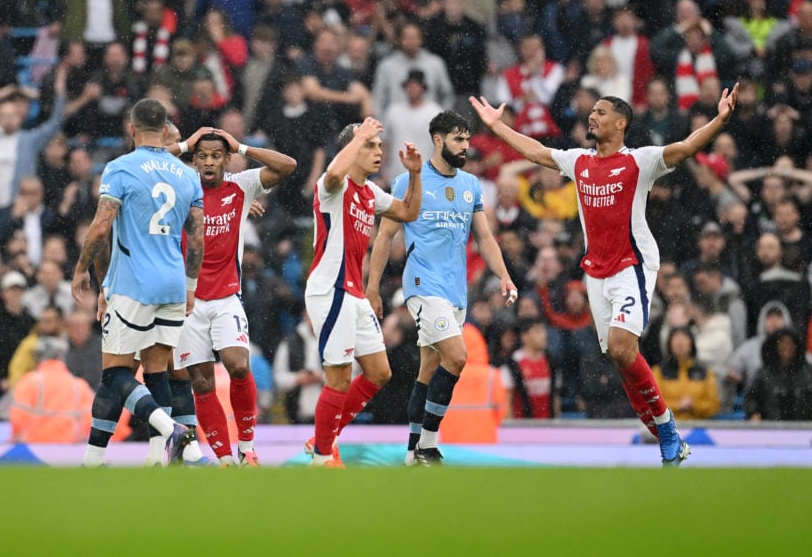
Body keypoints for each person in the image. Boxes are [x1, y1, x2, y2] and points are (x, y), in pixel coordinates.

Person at [469, 83, 739, 466]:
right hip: (595, 272)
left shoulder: (639, 161)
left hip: (632, 264)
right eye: (591, 112)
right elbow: (535, 151)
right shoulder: (578, 160)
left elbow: (685, 147)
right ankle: (669, 440)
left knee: (623, 346)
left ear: (621, 122)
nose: (591, 116)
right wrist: (497, 128)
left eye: (600, 112)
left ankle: (665, 429)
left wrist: (719, 120)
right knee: (618, 355)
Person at [367, 110, 517, 466]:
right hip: (422, 284)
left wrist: (505, 275)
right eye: (458, 139)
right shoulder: (408, 182)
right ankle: (430, 446)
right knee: (457, 356)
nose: (466, 146)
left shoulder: (470, 185)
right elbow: (385, 237)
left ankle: (411, 451)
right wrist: (372, 288)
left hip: (455, 290)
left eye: (467, 139)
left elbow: (484, 236)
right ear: (438, 140)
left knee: (428, 370)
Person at [72, 98, 202, 468]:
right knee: (156, 369)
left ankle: (172, 430)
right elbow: (198, 235)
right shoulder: (186, 174)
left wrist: (83, 269)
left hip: (134, 284)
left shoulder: (120, 168)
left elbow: (101, 227)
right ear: (165, 130)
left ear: (131, 129)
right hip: (173, 283)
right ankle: (154, 459)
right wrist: (190, 285)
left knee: (115, 374)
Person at [166, 126, 296, 466]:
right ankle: (224, 459)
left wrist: (243, 146)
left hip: (226, 297)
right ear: (194, 162)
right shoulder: (181, 188)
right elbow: (146, 167)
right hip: (187, 301)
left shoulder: (241, 185)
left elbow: (288, 166)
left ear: (227, 159)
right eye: (202, 157)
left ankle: (247, 447)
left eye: (216, 156)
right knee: (202, 381)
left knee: (238, 366)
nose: (209, 162)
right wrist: (184, 144)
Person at [304, 117, 424, 467]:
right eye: (370, 145)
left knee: (379, 372)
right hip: (331, 289)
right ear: (352, 148)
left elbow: (407, 211)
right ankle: (323, 457)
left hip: (354, 292)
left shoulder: (370, 193)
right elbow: (332, 174)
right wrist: (358, 137)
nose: (378, 152)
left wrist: (414, 175)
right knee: (339, 377)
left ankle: (321, 439)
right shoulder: (334, 188)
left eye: (378, 145)